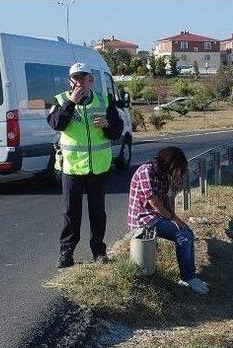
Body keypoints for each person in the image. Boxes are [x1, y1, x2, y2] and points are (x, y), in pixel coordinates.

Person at [48, 62, 123, 268]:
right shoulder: (62, 100)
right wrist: (71, 102)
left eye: (84, 77)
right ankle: (67, 253)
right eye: (76, 78)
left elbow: (118, 130)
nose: (80, 81)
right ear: (70, 80)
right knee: (71, 213)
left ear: (91, 80)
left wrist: (108, 125)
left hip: (97, 167)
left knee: (98, 212)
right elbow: (56, 124)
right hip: (72, 167)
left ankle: (99, 251)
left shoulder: (103, 100)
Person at [127, 147, 209, 294]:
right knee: (183, 235)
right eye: (178, 169)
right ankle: (188, 278)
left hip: (155, 216)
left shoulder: (164, 175)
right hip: (143, 218)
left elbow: (166, 199)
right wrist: (171, 219)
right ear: (170, 164)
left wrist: (176, 219)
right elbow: (154, 202)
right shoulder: (146, 171)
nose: (179, 173)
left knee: (185, 231)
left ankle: (188, 277)